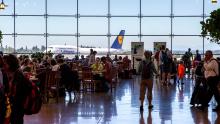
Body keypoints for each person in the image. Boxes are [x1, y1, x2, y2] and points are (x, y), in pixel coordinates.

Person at [3, 54, 32, 124]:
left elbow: (18, 94)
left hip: (17, 106)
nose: (3, 65)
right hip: (16, 106)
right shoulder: (13, 74)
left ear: (10, 64)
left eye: (4, 63)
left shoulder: (18, 76)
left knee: (16, 120)